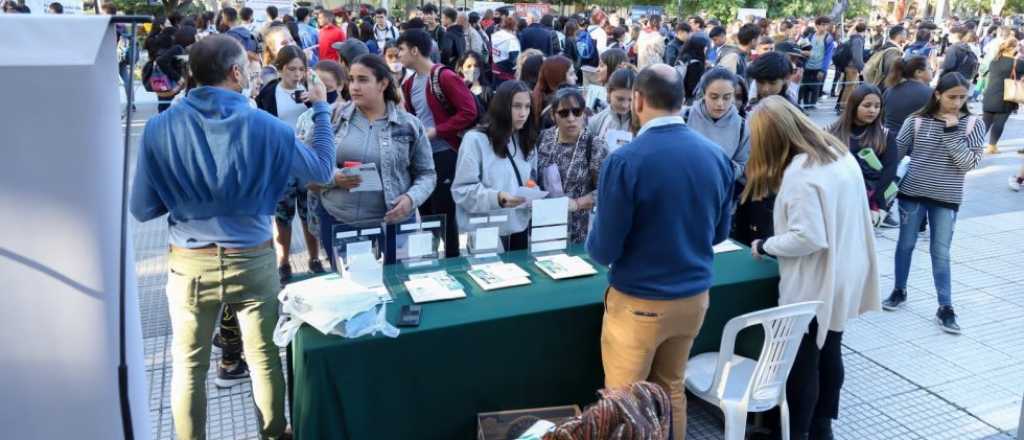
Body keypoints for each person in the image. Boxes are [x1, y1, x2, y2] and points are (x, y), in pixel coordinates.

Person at [130, 35, 335, 440]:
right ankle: (274, 433)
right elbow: (322, 171)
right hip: (253, 256)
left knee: (188, 366)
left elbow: (142, 209)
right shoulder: (269, 127)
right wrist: (323, 110)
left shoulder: (158, 127)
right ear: (236, 72)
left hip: (188, 261)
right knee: (263, 359)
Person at [587, 64, 734, 440]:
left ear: (637, 100)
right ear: (684, 101)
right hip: (694, 298)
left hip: (640, 302)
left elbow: (604, 249)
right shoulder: (716, 156)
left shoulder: (625, 160)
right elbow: (719, 233)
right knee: (672, 388)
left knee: (623, 401)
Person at [745, 95, 880, 440]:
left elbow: (807, 237)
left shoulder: (800, 174)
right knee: (831, 349)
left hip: (816, 282)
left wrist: (766, 245)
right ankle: (823, 427)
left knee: (802, 363)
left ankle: (798, 432)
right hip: (846, 270)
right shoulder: (836, 152)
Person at [306, 54, 436, 266]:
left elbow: (427, 174)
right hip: (340, 223)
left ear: (383, 83)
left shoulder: (409, 124)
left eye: (363, 80)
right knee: (353, 291)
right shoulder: (331, 117)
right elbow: (306, 165)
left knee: (399, 288)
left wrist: (411, 199)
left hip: (393, 225)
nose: (354, 86)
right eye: (352, 79)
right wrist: (333, 178)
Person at [883, 73, 987, 334]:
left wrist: (952, 132)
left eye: (962, 97)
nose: (957, 102)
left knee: (940, 252)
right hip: (912, 193)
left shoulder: (974, 124)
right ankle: (899, 290)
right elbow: (897, 153)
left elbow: (968, 164)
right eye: (952, 97)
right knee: (905, 244)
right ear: (937, 94)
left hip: (947, 197)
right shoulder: (916, 120)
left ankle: (945, 306)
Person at [398, 29, 479, 258]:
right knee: (426, 210)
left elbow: (469, 111)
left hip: (446, 153)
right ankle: (432, 258)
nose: (399, 56)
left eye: (402, 50)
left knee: (445, 212)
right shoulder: (409, 83)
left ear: (415, 50)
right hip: (422, 156)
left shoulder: (444, 76)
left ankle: (452, 260)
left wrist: (437, 131)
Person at [253, 46, 326, 284]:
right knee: (282, 215)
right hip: (280, 161)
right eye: (291, 69)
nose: (296, 75)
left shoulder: (311, 90)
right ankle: (283, 262)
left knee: (309, 213)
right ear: (280, 69)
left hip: (307, 159)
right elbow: (261, 125)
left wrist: (315, 101)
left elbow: (327, 117)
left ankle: (315, 259)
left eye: (300, 69)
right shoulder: (269, 92)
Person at [452, 81, 539, 251]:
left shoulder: (526, 141)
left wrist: (533, 191)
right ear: (502, 107)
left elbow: (529, 179)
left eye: (527, 107)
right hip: (484, 230)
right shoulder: (475, 140)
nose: (523, 113)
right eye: (517, 106)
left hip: (519, 228)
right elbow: (461, 190)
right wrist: (498, 198)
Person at [536, 88, 608, 243]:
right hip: (543, 226)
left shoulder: (595, 145)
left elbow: (607, 190)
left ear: (584, 113)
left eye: (576, 112)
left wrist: (577, 203)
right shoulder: (544, 138)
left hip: (580, 232)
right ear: (553, 115)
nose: (571, 118)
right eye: (563, 113)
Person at [828, 84, 900, 227]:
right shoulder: (832, 131)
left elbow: (890, 170)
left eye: (877, 106)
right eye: (867, 105)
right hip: (837, 198)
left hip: (869, 201)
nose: (872, 110)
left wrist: (878, 201)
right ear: (854, 105)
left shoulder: (885, 135)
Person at [685, 67, 750, 185]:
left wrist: (719, 173)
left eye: (727, 97)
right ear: (704, 93)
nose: (720, 104)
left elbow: (741, 163)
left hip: (719, 192)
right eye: (714, 97)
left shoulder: (742, 126)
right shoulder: (685, 117)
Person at [981, 38, 1024, 155]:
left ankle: (974, 143)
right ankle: (991, 147)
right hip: (1006, 96)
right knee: (1000, 121)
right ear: (1014, 49)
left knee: (985, 121)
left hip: (990, 94)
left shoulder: (994, 61)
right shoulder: (1018, 64)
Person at [882, 56, 933, 133]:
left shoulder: (890, 90)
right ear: (918, 72)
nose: (932, 70)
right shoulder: (930, 93)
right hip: (911, 141)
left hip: (887, 138)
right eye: (929, 68)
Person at [588, 68, 635, 150]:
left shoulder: (643, 123)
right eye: (620, 99)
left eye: (630, 100)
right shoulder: (596, 122)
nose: (625, 105)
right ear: (609, 93)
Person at [533, 55, 578, 123]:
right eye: (571, 74)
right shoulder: (556, 108)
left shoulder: (541, 97)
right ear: (559, 78)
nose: (576, 77)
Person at [585, 48, 629, 113]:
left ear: (616, 68)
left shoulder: (622, 96)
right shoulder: (599, 90)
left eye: (601, 66)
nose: (597, 69)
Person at [837, 22, 867, 112]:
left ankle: (842, 105)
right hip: (852, 66)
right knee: (850, 87)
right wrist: (861, 67)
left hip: (849, 65)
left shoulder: (853, 38)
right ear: (865, 31)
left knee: (848, 86)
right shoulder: (858, 40)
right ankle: (843, 107)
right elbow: (857, 56)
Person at [490, 16, 521, 83]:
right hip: (507, 74)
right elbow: (513, 60)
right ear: (514, 27)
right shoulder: (511, 39)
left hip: (495, 69)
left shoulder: (495, 35)